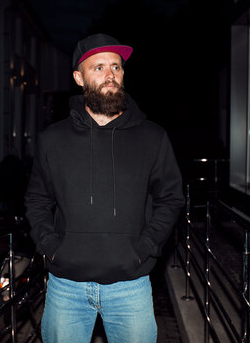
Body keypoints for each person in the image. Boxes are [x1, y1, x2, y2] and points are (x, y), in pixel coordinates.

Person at [25, 33, 184, 343]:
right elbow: (36, 200)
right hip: (65, 286)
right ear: (78, 78)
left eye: (116, 66)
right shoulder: (53, 139)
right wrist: (52, 247)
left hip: (130, 286)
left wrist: (146, 247)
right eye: (98, 67)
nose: (110, 74)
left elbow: (171, 199)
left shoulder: (152, 137)